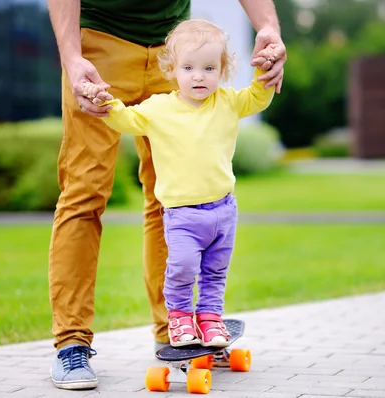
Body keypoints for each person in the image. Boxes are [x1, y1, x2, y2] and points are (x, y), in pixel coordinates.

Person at [47, 0, 287, 390]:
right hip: (98, 45)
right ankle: (71, 342)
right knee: (84, 193)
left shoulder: (205, 80)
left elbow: (251, 94)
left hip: (174, 47)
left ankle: (175, 331)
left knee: (177, 200)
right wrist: (72, 57)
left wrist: (269, 28)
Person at [84, 18, 276, 349]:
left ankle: (211, 318)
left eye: (208, 67)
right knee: (183, 268)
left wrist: (264, 71)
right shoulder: (159, 109)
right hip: (183, 215)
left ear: (222, 70)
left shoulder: (228, 102)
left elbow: (259, 98)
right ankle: (179, 317)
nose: (198, 75)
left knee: (216, 273)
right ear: (172, 70)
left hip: (223, 212)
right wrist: (107, 104)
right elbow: (127, 120)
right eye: (188, 67)